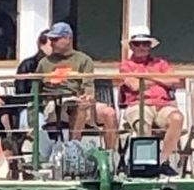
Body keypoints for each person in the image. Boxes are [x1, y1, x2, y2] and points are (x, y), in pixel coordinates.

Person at [36, 22, 118, 151]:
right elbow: (36, 89)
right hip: (55, 105)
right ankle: (73, 150)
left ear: (68, 39)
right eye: (51, 39)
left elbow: (88, 84)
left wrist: (89, 96)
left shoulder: (84, 60)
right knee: (78, 105)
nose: (51, 42)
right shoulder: (44, 63)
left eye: (55, 39)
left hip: (80, 101)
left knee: (109, 112)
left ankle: (111, 155)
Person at [118, 29, 185, 175]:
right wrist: (161, 80)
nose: (142, 47)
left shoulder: (161, 63)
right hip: (138, 104)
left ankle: (162, 161)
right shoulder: (126, 65)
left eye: (145, 44)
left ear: (150, 46)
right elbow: (135, 86)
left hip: (163, 105)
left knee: (177, 118)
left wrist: (147, 77)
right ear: (131, 46)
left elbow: (175, 81)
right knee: (142, 122)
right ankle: (146, 164)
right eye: (137, 44)